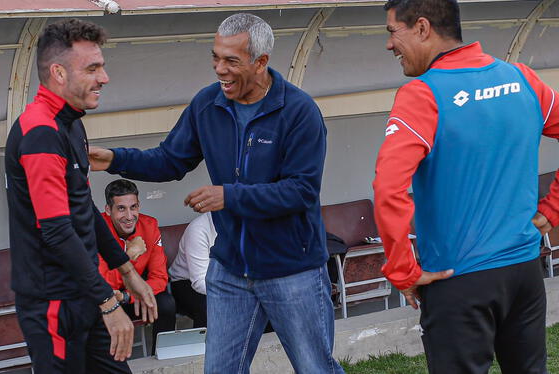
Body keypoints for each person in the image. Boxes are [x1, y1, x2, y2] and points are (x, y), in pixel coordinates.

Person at [90, 13, 344, 374]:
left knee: (315, 368)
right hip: (229, 270)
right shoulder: (208, 104)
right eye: (215, 57)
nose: (219, 69)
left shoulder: (299, 112)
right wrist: (116, 159)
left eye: (231, 61)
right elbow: (169, 160)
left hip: (293, 270)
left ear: (261, 63)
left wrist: (230, 196)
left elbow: (300, 191)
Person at [373, 1, 559, 373]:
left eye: (393, 32)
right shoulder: (523, 78)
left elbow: (388, 189)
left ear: (422, 28)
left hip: (457, 281)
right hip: (524, 273)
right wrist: (552, 210)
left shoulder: (421, 95)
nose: (389, 45)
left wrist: (402, 270)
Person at [4, 19, 157, 374]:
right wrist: (108, 302)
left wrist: (127, 271)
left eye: (101, 67)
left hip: (85, 293)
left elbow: (81, 208)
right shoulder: (40, 132)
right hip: (54, 304)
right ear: (58, 72)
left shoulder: (71, 122)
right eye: (92, 68)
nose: (104, 78)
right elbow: (56, 231)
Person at [98, 179, 176, 354]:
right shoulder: (97, 230)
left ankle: (162, 358)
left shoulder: (150, 226)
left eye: (133, 207)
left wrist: (129, 296)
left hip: (131, 297)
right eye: (121, 208)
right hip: (106, 300)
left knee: (165, 304)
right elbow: (103, 283)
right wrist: (129, 257)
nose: (129, 215)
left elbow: (159, 278)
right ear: (108, 210)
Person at [168, 212, 217, 328]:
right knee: (210, 306)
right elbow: (199, 282)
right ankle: (205, 345)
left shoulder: (244, 223)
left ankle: (262, 344)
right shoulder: (199, 229)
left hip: (222, 280)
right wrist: (232, 292)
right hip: (185, 281)